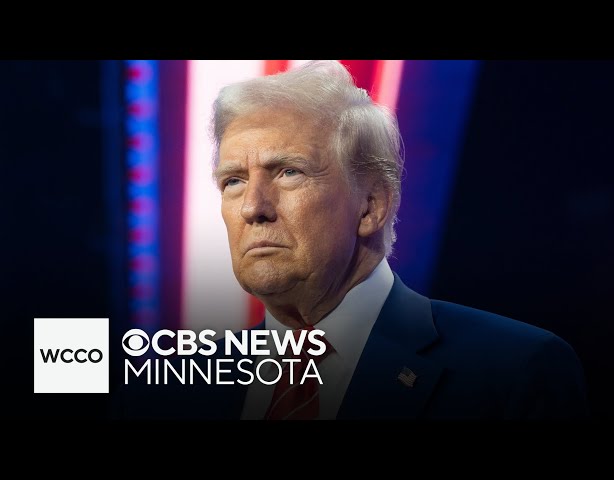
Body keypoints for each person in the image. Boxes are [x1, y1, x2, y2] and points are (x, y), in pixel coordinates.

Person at [115, 60, 588, 419]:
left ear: (371, 207)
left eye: (289, 172)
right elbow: (46, 366)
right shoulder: (171, 375)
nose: (252, 208)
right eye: (233, 181)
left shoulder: (513, 370)